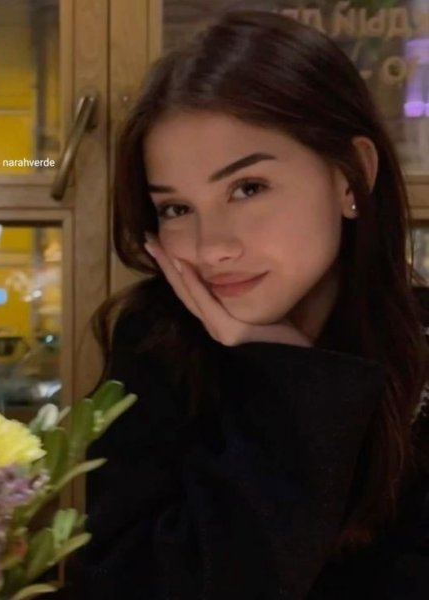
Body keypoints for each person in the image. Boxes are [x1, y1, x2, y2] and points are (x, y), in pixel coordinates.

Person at [60, 9, 429, 600]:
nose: (212, 247)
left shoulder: (420, 346)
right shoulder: (156, 343)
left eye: (248, 188)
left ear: (351, 175)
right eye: (176, 208)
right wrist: (282, 374)